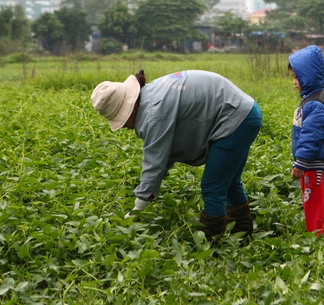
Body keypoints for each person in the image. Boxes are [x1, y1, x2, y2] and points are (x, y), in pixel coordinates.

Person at [91, 70, 262, 241]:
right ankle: (242, 235)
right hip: (246, 111)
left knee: (213, 186)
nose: (124, 126)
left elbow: (155, 164)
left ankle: (213, 245)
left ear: (131, 107)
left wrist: (137, 209)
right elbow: (164, 153)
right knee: (229, 182)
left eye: (122, 119)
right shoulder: (150, 95)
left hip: (236, 118)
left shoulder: (153, 116)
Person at [288, 45, 324, 236]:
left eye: (296, 77)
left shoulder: (315, 104)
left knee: (314, 201)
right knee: (310, 199)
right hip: (310, 162)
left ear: (307, 76)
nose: (294, 82)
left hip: (313, 163)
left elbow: (312, 136)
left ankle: (316, 236)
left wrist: (301, 161)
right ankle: (314, 232)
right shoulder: (312, 100)